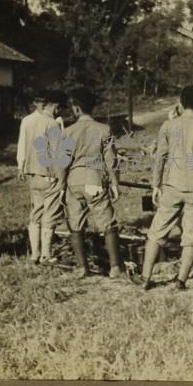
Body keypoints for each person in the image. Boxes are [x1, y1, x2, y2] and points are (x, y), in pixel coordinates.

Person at [137, 85, 193, 290]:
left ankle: (145, 278)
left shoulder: (168, 126)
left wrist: (156, 185)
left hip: (172, 185)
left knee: (157, 232)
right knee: (191, 237)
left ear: (180, 103)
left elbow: (160, 159)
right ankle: (180, 281)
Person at [63, 87, 126, 279]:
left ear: (76, 109)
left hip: (74, 182)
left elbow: (61, 163)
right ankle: (115, 267)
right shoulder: (103, 129)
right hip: (95, 181)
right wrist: (115, 183)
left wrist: (60, 186)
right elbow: (111, 160)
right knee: (108, 224)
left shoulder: (68, 132)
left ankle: (82, 267)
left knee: (75, 224)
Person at [16, 90, 69, 265]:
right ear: (55, 106)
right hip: (50, 175)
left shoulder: (29, 122)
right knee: (50, 214)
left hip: (33, 174)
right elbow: (58, 155)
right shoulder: (52, 124)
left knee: (36, 213)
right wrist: (62, 181)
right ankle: (46, 254)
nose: (60, 112)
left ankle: (34, 254)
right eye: (60, 109)